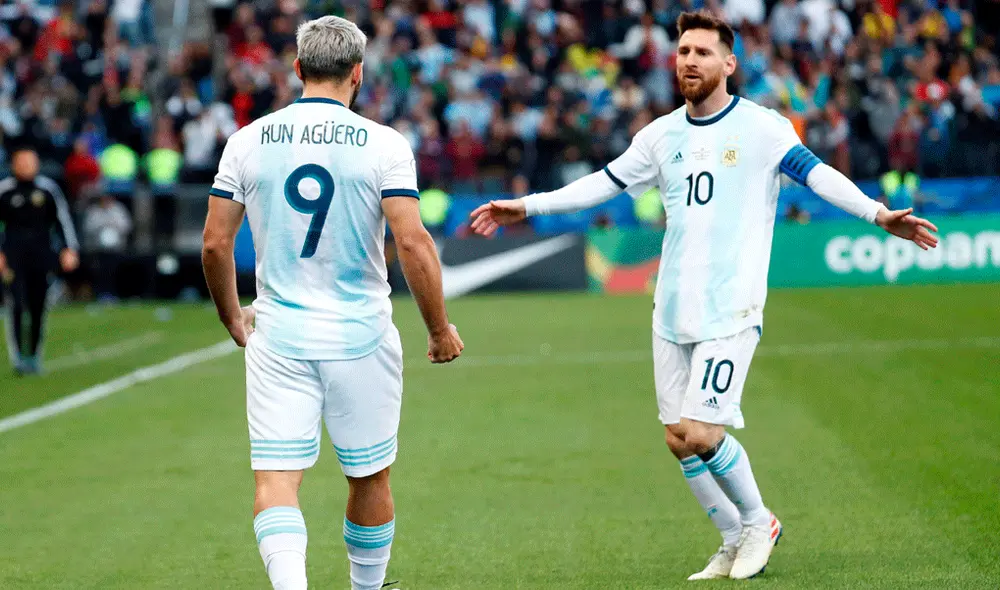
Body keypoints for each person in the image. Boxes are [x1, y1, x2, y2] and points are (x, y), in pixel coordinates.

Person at [470, 10, 938, 582]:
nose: (689, 60)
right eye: (683, 51)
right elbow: (604, 184)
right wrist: (530, 205)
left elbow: (817, 175)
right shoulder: (660, 134)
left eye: (702, 52)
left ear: (729, 63)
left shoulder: (764, 128)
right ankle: (730, 538)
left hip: (731, 308)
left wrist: (876, 213)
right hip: (671, 307)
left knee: (704, 432)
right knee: (677, 439)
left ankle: (758, 520)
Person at [201, 15, 464, 590]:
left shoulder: (247, 140)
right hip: (360, 334)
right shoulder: (384, 144)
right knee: (369, 477)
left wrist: (231, 315)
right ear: (358, 74)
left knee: (276, 481)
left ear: (297, 70)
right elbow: (412, 241)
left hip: (279, 334)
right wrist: (438, 328)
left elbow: (217, 242)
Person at [0, 147, 80, 375]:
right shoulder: (4, 191)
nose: (27, 166)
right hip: (13, 254)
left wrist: (69, 249)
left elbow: (63, 220)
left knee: (38, 304)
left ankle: (34, 354)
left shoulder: (47, 189)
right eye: (22, 162)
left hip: (41, 252)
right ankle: (18, 358)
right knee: (16, 303)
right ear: (14, 164)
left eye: (30, 162)